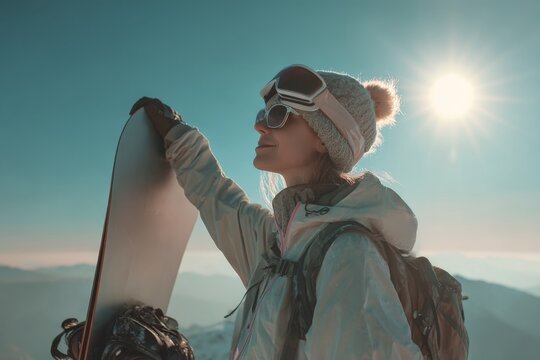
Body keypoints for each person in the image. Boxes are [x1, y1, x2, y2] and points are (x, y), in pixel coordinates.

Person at [129, 64, 424, 359]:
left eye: (279, 115)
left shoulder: (349, 256)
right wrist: (178, 136)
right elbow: (217, 198)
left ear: (324, 139)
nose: (260, 125)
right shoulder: (278, 244)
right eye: (263, 114)